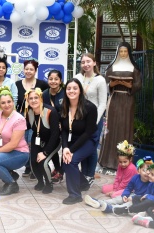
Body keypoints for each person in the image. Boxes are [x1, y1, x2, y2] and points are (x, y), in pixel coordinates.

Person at [99, 42, 142, 170]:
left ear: (129, 52)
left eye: (125, 51)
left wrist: (130, 86)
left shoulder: (134, 68)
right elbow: (105, 84)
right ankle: (107, 160)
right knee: (111, 128)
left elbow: (138, 84)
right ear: (118, 52)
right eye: (121, 51)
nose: (123, 54)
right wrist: (112, 84)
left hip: (127, 100)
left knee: (125, 127)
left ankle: (124, 161)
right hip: (114, 99)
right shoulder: (112, 67)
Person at [61, 78, 98, 204]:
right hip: (73, 139)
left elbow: (88, 132)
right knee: (65, 160)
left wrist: (70, 150)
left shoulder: (90, 108)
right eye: (69, 88)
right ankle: (83, 183)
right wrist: (65, 148)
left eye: (75, 88)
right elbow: (64, 130)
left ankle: (75, 195)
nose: (71, 91)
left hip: (88, 140)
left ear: (80, 91)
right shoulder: (64, 106)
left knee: (70, 161)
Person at [75, 53, 107, 186]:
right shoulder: (77, 77)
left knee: (92, 147)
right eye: (83, 62)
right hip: (80, 118)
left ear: (94, 63)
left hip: (95, 120)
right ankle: (83, 174)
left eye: (88, 61)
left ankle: (90, 174)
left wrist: (94, 121)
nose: (86, 64)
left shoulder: (100, 80)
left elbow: (102, 103)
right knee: (82, 145)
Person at [16, 59, 49, 179]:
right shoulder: (17, 84)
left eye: (31, 69)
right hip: (21, 121)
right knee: (23, 143)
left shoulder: (42, 84)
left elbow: (46, 101)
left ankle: (34, 167)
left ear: (35, 71)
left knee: (33, 143)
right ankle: (27, 166)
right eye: (26, 69)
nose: (28, 71)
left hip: (36, 120)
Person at [25, 88, 60, 194]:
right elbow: (26, 127)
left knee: (42, 162)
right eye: (30, 98)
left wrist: (45, 153)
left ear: (41, 98)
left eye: (36, 97)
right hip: (37, 139)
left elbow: (55, 135)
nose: (33, 100)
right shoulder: (29, 112)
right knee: (33, 161)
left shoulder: (51, 112)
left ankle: (49, 184)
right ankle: (40, 181)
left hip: (53, 141)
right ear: (27, 100)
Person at [84, 158, 150, 212]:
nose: (147, 173)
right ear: (138, 170)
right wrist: (125, 195)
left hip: (140, 201)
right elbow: (129, 188)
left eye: (149, 171)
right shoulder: (135, 178)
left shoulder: (151, 183)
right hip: (133, 195)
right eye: (144, 170)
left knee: (127, 205)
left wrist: (133, 198)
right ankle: (99, 202)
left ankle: (111, 208)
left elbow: (147, 197)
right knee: (118, 199)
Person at [42, 69, 65, 184]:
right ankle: (58, 169)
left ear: (60, 81)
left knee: (64, 149)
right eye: (51, 79)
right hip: (50, 127)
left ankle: (62, 170)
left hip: (64, 127)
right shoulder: (44, 94)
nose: (53, 81)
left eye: (56, 79)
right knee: (53, 148)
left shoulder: (65, 92)